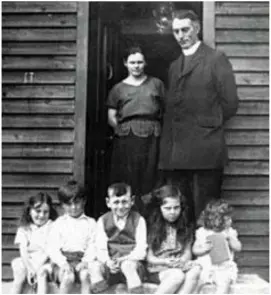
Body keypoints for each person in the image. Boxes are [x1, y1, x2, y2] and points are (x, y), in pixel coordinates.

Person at [158, 10, 239, 223]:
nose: (181, 36)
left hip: (206, 147)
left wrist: (208, 123)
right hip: (178, 151)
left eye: (185, 29)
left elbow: (230, 103)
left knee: (207, 208)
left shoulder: (215, 59)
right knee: (181, 208)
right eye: (176, 31)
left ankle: (207, 254)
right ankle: (186, 254)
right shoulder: (175, 66)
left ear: (196, 28)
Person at [107, 46, 165, 211]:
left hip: (153, 136)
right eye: (132, 62)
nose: (136, 66)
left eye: (140, 62)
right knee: (129, 176)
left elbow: (166, 110)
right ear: (125, 63)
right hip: (127, 138)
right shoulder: (118, 88)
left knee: (151, 176)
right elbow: (111, 117)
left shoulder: (156, 84)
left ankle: (149, 214)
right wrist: (125, 129)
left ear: (145, 63)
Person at [45, 180, 100, 294]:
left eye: (77, 202)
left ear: (84, 201)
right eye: (69, 204)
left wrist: (86, 261)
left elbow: (93, 245)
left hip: (82, 260)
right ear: (62, 205)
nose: (74, 207)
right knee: (68, 277)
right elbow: (52, 248)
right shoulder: (59, 223)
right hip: (63, 261)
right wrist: (62, 263)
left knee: (86, 275)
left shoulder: (91, 223)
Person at [146, 185, 201, 294]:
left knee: (196, 270)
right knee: (177, 275)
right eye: (167, 208)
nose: (172, 212)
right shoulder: (152, 228)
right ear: (159, 208)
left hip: (178, 265)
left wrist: (181, 261)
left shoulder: (186, 227)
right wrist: (165, 262)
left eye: (176, 207)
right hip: (158, 268)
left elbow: (187, 253)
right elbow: (149, 257)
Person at [95, 182, 147, 294]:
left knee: (127, 266)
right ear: (108, 202)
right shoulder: (103, 220)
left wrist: (125, 259)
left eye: (124, 202)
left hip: (132, 265)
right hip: (111, 265)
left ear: (132, 201)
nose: (120, 206)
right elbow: (100, 248)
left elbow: (141, 249)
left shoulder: (139, 220)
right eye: (116, 202)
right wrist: (107, 261)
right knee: (94, 266)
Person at [10, 192, 58, 294]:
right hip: (27, 260)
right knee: (20, 273)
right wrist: (30, 268)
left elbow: (50, 250)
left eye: (45, 212)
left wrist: (37, 268)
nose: (41, 215)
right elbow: (23, 251)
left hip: (45, 261)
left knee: (41, 274)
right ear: (29, 211)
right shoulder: (24, 228)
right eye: (38, 211)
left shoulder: (52, 226)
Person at [192, 199, 242, 293]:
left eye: (230, 218)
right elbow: (195, 250)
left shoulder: (229, 232)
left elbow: (238, 247)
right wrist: (203, 249)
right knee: (196, 281)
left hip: (223, 267)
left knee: (224, 283)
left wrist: (230, 239)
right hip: (205, 266)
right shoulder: (202, 232)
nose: (230, 221)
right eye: (227, 219)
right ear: (214, 219)